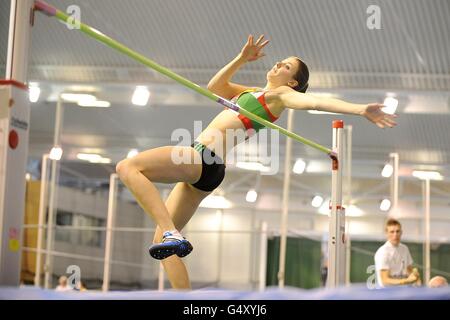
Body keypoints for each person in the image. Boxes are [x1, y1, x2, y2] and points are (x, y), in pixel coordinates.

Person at [115, 35, 397, 289]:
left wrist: (360, 109)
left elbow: (315, 103)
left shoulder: (281, 96)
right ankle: (185, 297)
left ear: (293, 82)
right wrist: (241, 58)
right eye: (279, 61)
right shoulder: (251, 92)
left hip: (202, 156)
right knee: (161, 248)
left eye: (286, 66)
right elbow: (215, 86)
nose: (278, 65)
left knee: (128, 168)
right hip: (210, 169)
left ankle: (170, 232)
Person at [374, 218, 421, 288]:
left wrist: (416, 278)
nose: (395, 235)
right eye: (392, 232)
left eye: (397, 231)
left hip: (404, 291)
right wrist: (406, 281)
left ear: (401, 232)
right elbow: (385, 280)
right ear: (386, 233)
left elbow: (410, 270)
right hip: (387, 293)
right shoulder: (382, 252)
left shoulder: (405, 249)